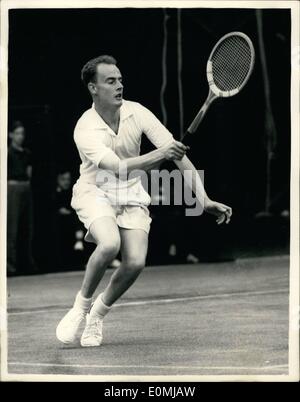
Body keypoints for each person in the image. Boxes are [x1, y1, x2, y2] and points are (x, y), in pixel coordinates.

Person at [56, 55, 232, 347]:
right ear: (93, 88)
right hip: (95, 191)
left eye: (121, 79)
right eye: (110, 81)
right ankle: (80, 308)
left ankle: (97, 315)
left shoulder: (137, 112)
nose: (119, 85)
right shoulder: (84, 128)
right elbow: (120, 168)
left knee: (136, 262)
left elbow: (179, 156)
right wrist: (163, 153)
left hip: (131, 194)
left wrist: (204, 199)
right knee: (110, 243)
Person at [7, 120, 36, 275]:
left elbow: (29, 173)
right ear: (10, 134)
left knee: (27, 226)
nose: (20, 136)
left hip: (25, 186)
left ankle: (27, 263)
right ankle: (9, 265)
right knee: (11, 227)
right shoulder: (7, 153)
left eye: (22, 133)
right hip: (12, 186)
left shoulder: (27, 153)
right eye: (17, 133)